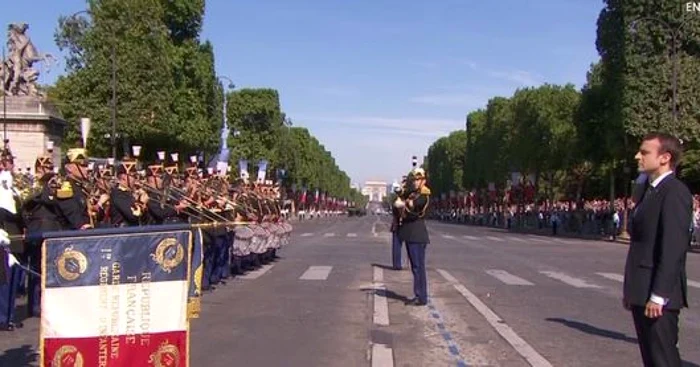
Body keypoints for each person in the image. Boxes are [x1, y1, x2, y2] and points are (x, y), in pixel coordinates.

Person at [623, 132, 692, 367]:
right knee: (652, 360)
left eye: (644, 152)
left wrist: (659, 295)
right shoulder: (650, 191)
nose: (637, 156)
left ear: (665, 158)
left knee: (664, 361)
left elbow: (672, 247)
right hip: (643, 290)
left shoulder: (674, 192)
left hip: (658, 296)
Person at [397, 168, 431, 306]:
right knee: (415, 267)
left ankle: (421, 296)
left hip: (417, 234)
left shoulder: (424, 195)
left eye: (418, 179)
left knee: (418, 267)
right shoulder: (413, 193)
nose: (415, 182)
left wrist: (405, 204)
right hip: (411, 234)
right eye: (414, 180)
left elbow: (415, 209)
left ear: (423, 180)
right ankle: (419, 294)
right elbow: (403, 197)